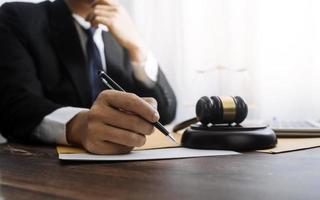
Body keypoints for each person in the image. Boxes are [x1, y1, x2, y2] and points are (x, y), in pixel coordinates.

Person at [0, 0, 177, 154]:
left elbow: (166, 114)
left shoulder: (121, 32)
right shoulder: (18, 17)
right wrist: (78, 126)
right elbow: (14, 107)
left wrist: (138, 48)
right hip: (48, 173)